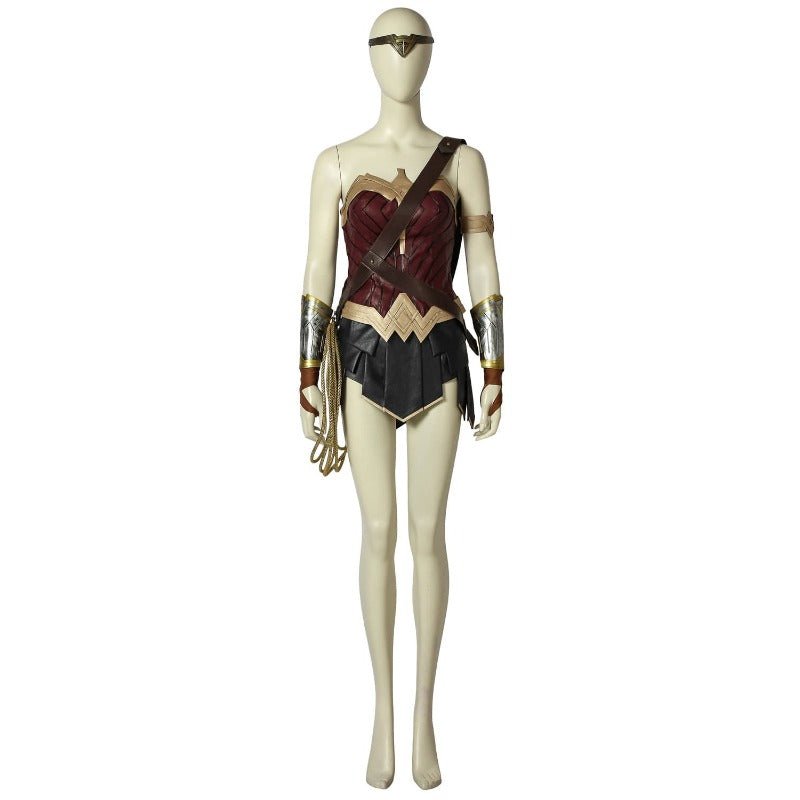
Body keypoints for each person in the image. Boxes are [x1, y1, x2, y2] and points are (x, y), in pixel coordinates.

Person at [298, 7, 504, 790]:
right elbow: (316, 270)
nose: (401, 54)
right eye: (388, 42)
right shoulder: (334, 162)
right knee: (377, 530)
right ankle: (383, 714)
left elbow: (483, 262)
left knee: (427, 533)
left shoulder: (465, 161)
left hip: (441, 356)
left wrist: (497, 365)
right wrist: (305, 371)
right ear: (369, 55)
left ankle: (423, 717)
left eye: (413, 42)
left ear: (431, 55)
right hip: (359, 356)